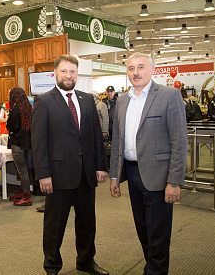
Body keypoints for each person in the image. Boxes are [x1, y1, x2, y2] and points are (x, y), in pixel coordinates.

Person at [109, 52, 188, 275]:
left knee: (158, 235)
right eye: (131, 68)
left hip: (159, 177)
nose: (136, 72)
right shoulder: (123, 100)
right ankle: (152, 268)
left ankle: (156, 271)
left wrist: (174, 181)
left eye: (141, 67)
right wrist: (115, 176)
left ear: (152, 70)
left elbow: (179, 141)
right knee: (143, 231)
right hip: (132, 176)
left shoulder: (169, 96)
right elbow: (118, 141)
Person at [31, 55, 108, 275]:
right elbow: (39, 142)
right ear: (55, 72)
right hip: (58, 176)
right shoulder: (44, 101)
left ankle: (85, 261)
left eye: (72, 72)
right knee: (55, 226)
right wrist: (43, 174)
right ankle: (52, 266)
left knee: (87, 224)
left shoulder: (87, 100)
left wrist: (100, 166)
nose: (68, 76)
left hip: (86, 175)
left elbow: (95, 137)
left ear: (77, 74)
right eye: (64, 71)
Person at [7, 87, 33, 206]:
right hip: (26, 143)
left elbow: (10, 127)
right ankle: (23, 192)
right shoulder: (28, 108)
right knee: (24, 170)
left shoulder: (16, 110)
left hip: (17, 143)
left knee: (22, 171)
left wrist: (9, 117)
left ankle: (26, 196)